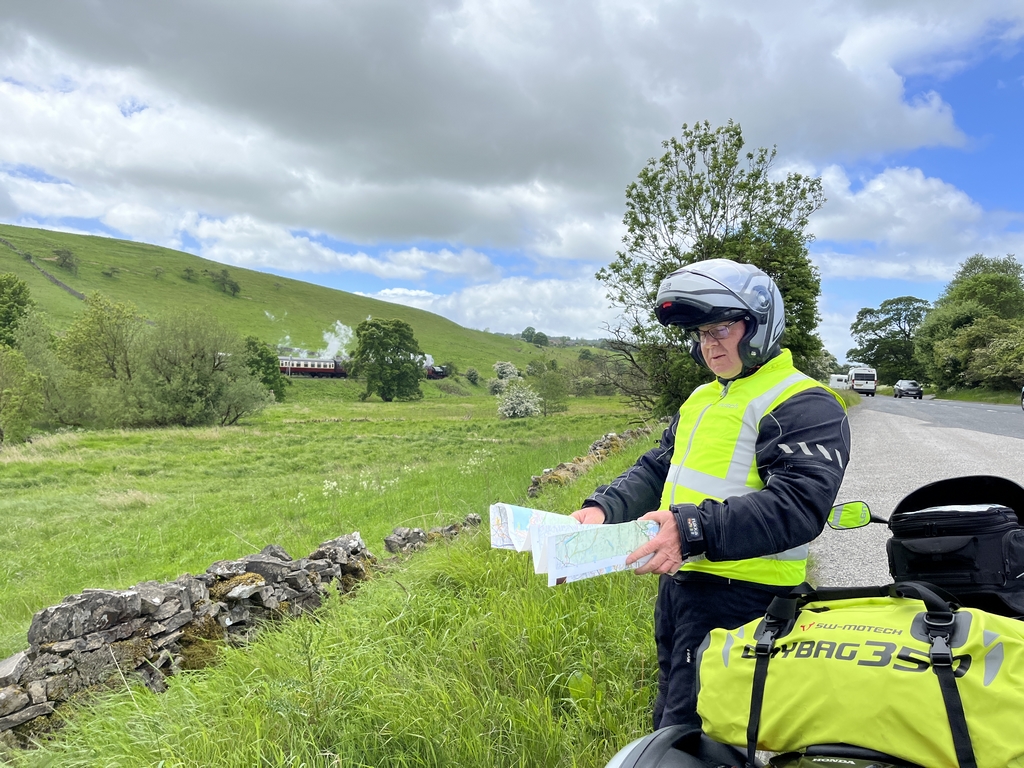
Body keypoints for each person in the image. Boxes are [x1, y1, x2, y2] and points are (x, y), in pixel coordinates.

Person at [572, 259, 851, 732]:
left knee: (703, 733)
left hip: (746, 598)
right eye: (701, 333)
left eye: (721, 328)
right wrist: (603, 508)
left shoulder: (804, 401)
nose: (709, 344)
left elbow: (800, 507)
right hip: (681, 584)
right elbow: (659, 465)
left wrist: (691, 529)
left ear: (759, 325)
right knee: (670, 712)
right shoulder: (702, 398)